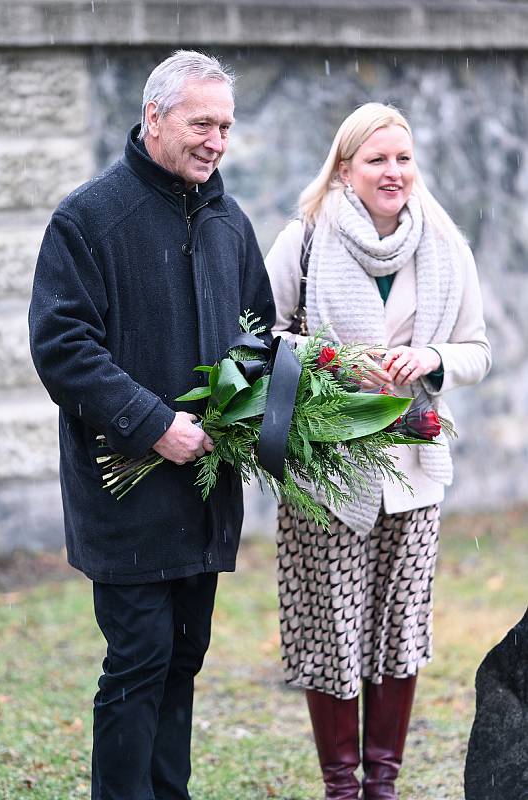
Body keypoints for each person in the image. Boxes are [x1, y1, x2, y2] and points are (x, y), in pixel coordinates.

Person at [29, 50, 275, 800]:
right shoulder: (88, 217)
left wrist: (252, 401)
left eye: (226, 125)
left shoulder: (231, 221)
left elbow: (257, 333)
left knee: (184, 659)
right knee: (137, 661)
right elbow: (63, 348)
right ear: (154, 118)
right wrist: (151, 422)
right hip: (125, 492)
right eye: (202, 122)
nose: (216, 140)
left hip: (204, 493)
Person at [265, 102, 491, 799]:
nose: (392, 172)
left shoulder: (445, 245)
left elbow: (476, 351)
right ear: (344, 168)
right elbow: (259, 335)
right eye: (376, 160)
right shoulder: (303, 238)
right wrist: (333, 360)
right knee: (332, 630)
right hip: (329, 470)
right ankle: (340, 787)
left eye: (402, 158)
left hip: (415, 470)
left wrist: (428, 356)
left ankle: (381, 786)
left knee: (397, 630)